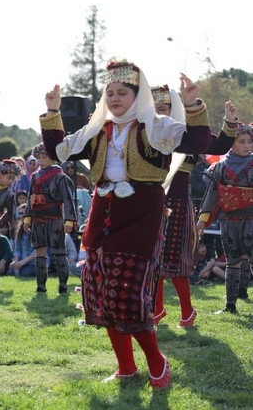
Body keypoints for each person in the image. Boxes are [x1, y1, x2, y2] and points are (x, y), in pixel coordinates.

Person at [40, 59, 212, 389]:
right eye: (110, 92)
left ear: (138, 95)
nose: (115, 98)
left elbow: (198, 143)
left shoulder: (157, 127)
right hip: (101, 218)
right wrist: (52, 112)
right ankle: (126, 367)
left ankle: (157, 363)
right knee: (99, 292)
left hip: (141, 220)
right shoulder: (97, 130)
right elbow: (59, 150)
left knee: (128, 295)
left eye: (122, 92)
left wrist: (191, 104)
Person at [151, 85, 237, 328]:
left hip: (177, 205)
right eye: (156, 108)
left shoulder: (186, 134)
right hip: (150, 203)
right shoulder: (144, 133)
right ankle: (157, 310)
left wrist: (230, 121)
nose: (161, 112)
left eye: (165, 107)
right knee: (153, 258)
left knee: (176, 261)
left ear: (174, 108)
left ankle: (187, 312)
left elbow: (219, 147)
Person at [197, 121, 253, 314]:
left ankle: (243, 292)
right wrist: (202, 220)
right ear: (231, 144)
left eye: (249, 141)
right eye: (242, 141)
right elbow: (212, 195)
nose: (247, 145)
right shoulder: (219, 168)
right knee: (232, 261)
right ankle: (230, 305)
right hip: (228, 221)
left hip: (251, 220)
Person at [22, 143, 76, 294]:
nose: (40, 160)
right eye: (38, 157)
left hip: (55, 219)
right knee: (39, 252)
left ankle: (63, 286)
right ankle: (41, 286)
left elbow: (67, 200)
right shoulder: (35, 177)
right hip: (38, 219)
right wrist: (27, 219)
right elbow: (29, 199)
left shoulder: (60, 177)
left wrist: (69, 221)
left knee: (59, 252)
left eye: (44, 157)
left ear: (52, 157)